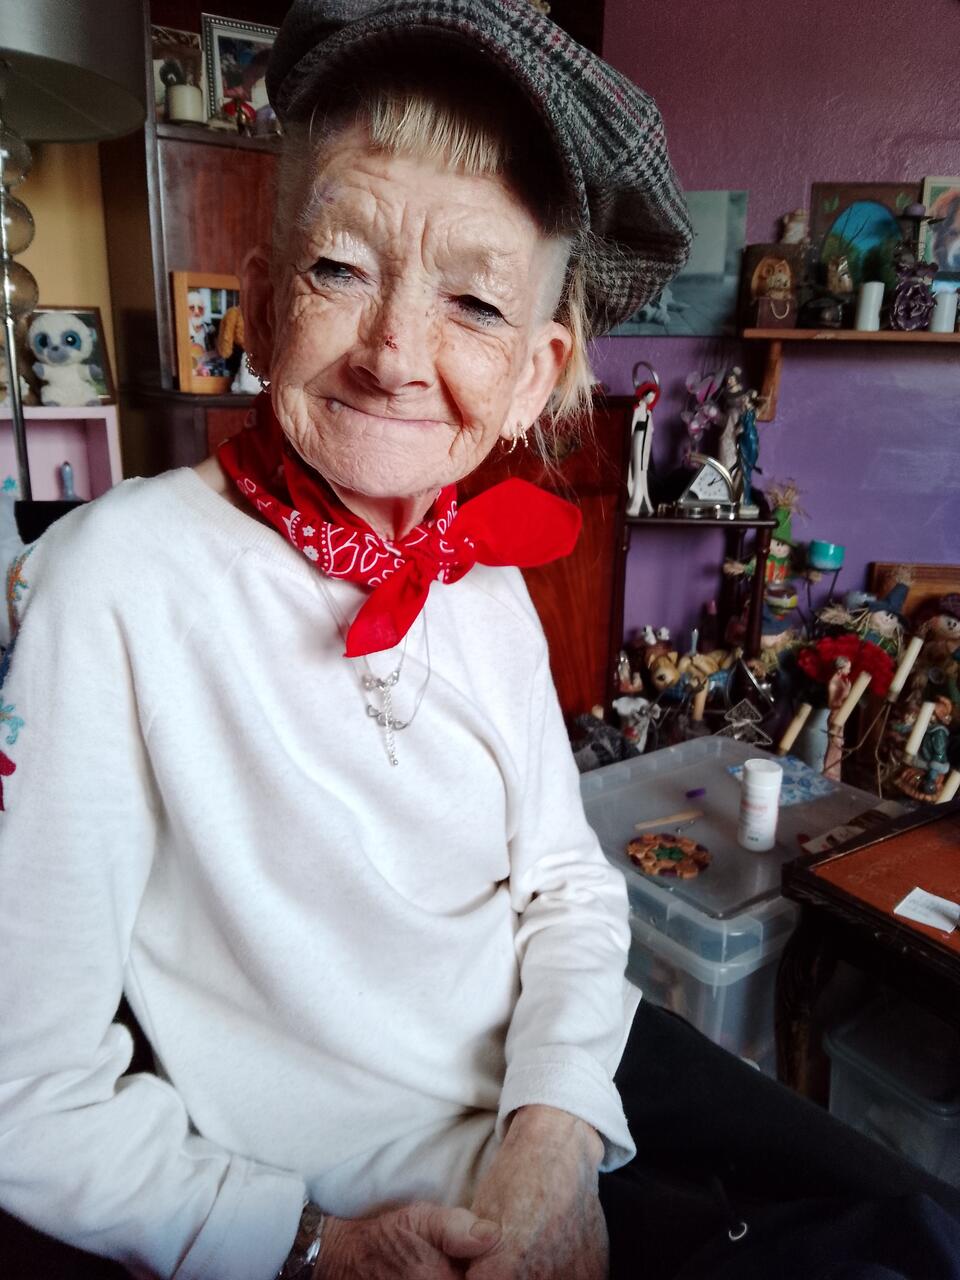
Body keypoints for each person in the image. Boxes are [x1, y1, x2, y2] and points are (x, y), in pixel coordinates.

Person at [1, 4, 958, 1280]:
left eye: (472, 300)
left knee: (919, 1231)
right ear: (269, 296)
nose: (397, 351)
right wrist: (302, 1243)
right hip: (358, 1197)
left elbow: (567, 891)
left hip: (563, 1067)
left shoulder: (485, 581)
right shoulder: (109, 583)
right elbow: (25, 1088)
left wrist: (553, 1135)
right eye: (341, 267)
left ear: (534, 369)